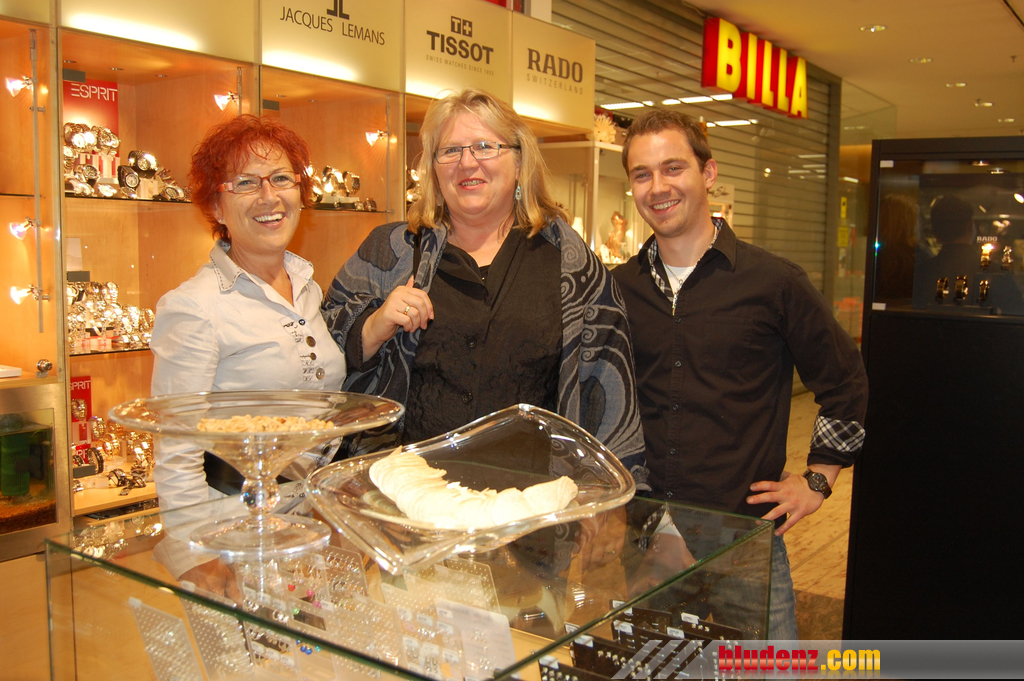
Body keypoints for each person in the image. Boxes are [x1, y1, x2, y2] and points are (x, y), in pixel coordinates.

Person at [611, 109, 868, 639]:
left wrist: (819, 479)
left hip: (743, 540)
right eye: (642, 174)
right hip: (646, 541)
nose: (658, 187)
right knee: (650, 669)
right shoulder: (616, 290)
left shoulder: (773, 282)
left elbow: (845, 382)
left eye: (673, 168)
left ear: (708, 173)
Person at [321, 88, 646, 487]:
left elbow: (608, 388)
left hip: (529, 503)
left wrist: (605, 495)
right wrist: (372, 327)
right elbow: (317, 355)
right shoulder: (391, 251)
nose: (466, 162)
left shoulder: (570, 263)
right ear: (433, 169)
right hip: (408, 495)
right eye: (450, 151)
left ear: (519, 161)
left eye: (484, 146)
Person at [149, 115, 346, 587]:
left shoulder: (306, 287)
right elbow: (175, 447)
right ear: (216, 206)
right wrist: (198, 556)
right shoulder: (194, 306)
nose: (268, 196)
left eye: (281, 178)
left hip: (306, 517)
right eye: (245, 183)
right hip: (230, 526)